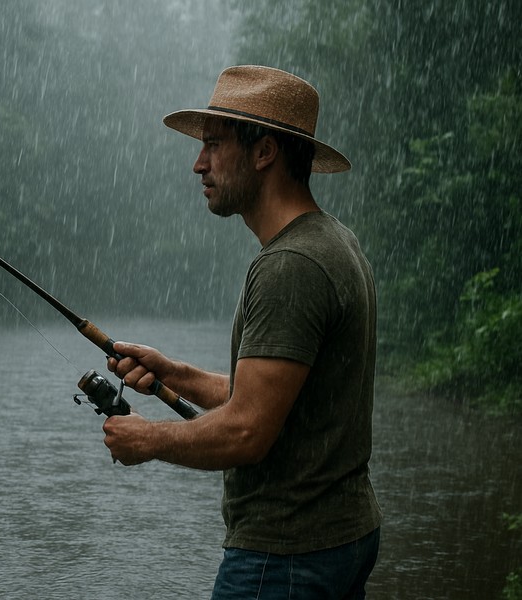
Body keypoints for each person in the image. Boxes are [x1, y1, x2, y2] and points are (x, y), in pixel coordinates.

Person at [102, 65, 382, 598]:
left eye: (213, 144)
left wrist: (148, 440)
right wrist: (174, 373)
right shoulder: (335, 242)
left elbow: (248, 431)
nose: (197, 164)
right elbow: (278, 402)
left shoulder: (291, 265)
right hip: (341, 540)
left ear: (264, 152)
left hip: (284, 557)